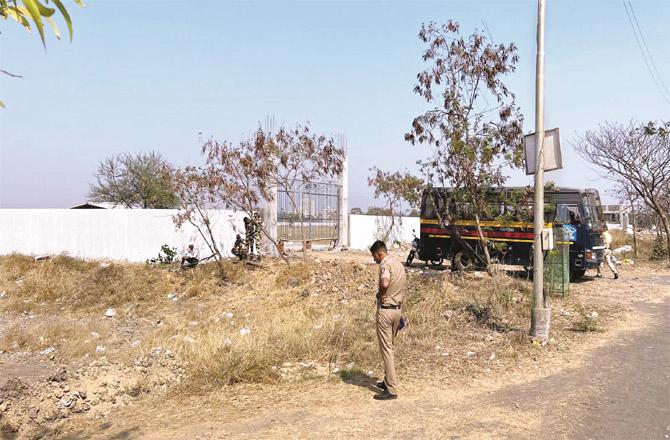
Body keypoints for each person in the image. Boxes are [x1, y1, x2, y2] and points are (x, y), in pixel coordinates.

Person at [370, 240, 407, 401]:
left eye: (374, 256)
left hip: (386, 311)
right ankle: (386, 381)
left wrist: (380, 293)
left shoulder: (385, 265)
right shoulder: (398, 264)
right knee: (390, 347)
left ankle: (391, 389)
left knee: (387, 350)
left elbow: (385, 282)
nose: (374, 260)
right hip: (397, 311)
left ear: (380, 253)